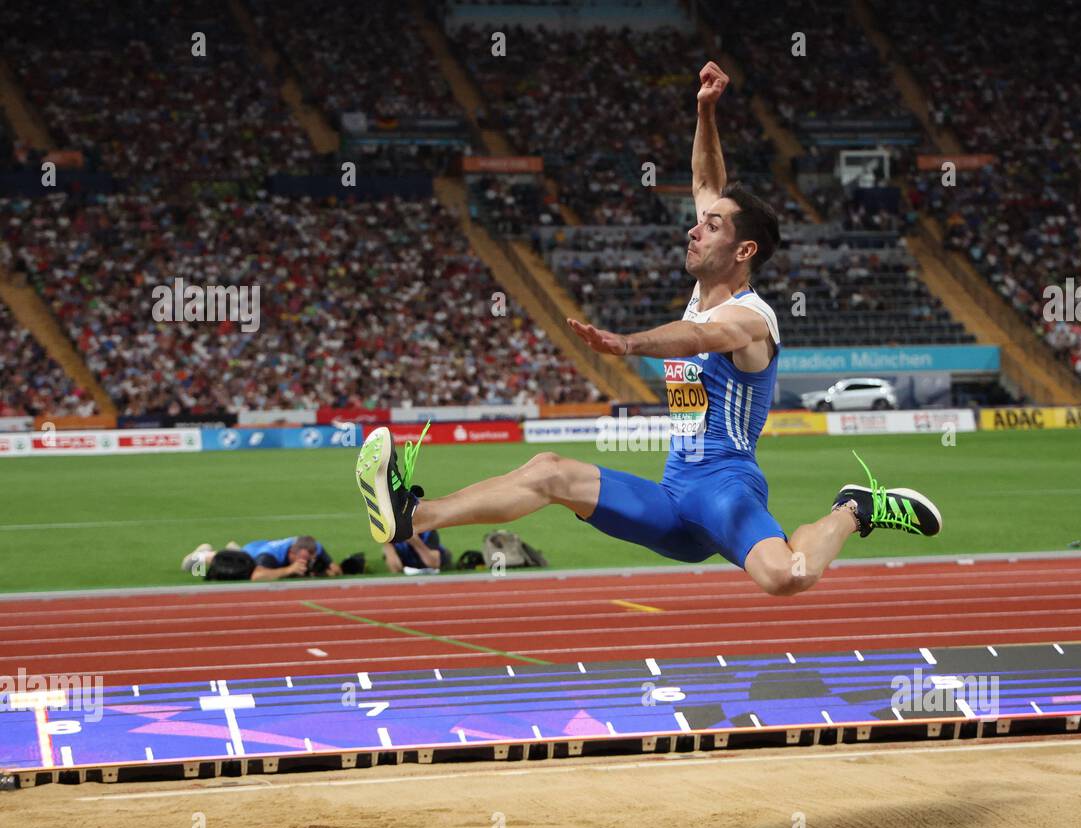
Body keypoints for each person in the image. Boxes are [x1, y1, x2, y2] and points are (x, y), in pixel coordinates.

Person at [354, 62, 940, 597]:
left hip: (725, 488)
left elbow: (701, 338)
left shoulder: (752, 319)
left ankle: (855, 508)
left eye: (710, 228)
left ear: (744, 250)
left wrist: (628, 344)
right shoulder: (704, 286)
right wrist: (706, 110)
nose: (694, 230)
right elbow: (707, 180)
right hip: (673, 493)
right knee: (549, 471)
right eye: (700, 223)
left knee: (786, 576)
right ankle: (413, 517)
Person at [181, 536, 341, 581]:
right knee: (237, 565)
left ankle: (233, 547)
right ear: (292, 552)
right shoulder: (269, 556)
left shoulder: (313, 546)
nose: (307, 562)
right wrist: (289, 570)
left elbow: (335, 569)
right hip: (251, 555)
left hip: (261, 547)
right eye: (303, 559)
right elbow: (256, 576)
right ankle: (204, 554)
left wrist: (325, 573)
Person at [384, 530, 452, 574]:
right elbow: (395, 570)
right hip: (409, 567)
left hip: (433, 564)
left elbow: (434, 564)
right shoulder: (395, 537)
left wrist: (414, 541)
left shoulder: (428, 532)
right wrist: (388, 541)